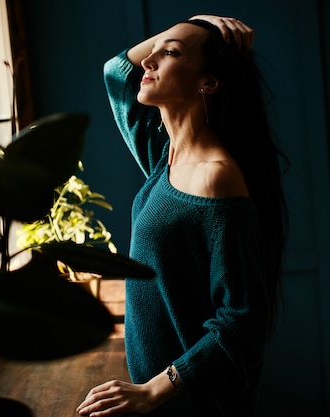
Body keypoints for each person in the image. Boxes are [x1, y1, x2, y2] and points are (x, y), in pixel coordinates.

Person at [76, 14, 288, 417]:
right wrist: (195, 22)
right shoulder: (166, 157)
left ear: (207, 82)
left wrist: (153, 391)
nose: (148, 60)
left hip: (191, 405)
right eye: (154, 50)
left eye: (169, 53)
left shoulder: (215, 178)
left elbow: (243, 323)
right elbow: (116, 70)